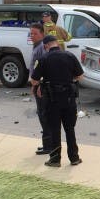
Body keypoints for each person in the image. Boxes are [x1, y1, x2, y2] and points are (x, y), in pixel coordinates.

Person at [30, 34, 84, 168]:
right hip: (69, 98)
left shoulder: (43, 58)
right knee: (70, 129)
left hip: (52, 99)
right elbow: (80, 76)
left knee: (55, 130)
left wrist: (42, 83)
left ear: (46, 46)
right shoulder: (69, 56)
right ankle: (74, 158)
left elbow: (34, 80)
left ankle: (55, 160)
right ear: (57, 44)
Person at [28, 23, 54, 156]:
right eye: (31, 33)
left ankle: (49, 146)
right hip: (37, 85)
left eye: (35, 33)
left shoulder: (42, 48)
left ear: (42, 34)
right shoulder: (36, 46)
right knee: (42, 114)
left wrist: (38, 85)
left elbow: (44, 68)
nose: (32, 36)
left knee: (44, 115)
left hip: (41, 86)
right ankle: (46, 144)